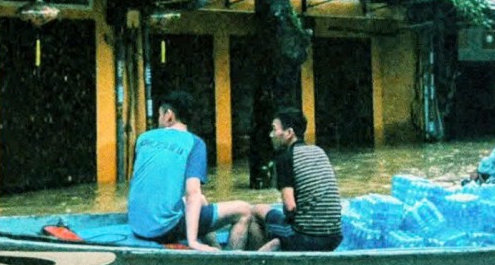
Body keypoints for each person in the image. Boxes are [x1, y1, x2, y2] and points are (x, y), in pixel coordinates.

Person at [127, 90, 251, 251]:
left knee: (201, 200)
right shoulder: (194, 143)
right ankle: (230, 264)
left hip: (137, 225)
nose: (159, 120)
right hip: (163, 230)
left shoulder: (143, 138)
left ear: (168, 116)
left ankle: (214, 248)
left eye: (159, 115)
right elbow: (192, 191)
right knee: (244, 210)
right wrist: (193, 242)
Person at [249, 107, 343, 252]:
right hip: (334, 237)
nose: (271, 134)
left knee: (255, 212)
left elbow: (290, 206)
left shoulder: (285, 158)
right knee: (280, 224)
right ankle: (279, 243)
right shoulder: (319, 151)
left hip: (305, 237)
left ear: (289, 133)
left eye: (274, 129)